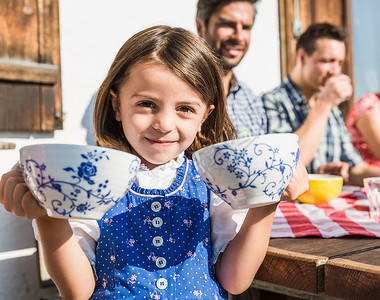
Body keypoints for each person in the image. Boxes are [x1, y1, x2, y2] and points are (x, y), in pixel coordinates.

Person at [0, 25, 309, 299]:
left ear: (205, 116)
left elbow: (235, 280)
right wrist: (48, 215)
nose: (163, 124)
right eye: (146, 104)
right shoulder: (91, 183)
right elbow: (78, 292)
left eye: (185, 109)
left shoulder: (214, 183)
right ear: (116, 104)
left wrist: (267, 202)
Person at [260, 22, 379, 186]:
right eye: (327, 61)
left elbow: (355, 168)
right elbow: (284, 167)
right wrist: (325, 103)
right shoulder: (272, 101)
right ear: (302, 57)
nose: (335, 71)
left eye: (339, 62)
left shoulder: (332, 109)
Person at [196, 0, 266, 138]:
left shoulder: (251, 102)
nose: (239, 37)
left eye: (246, 27)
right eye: (227, 24)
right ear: (200, 27)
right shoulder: (181, 91)